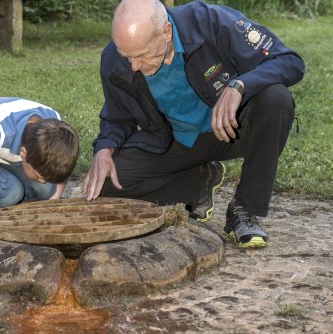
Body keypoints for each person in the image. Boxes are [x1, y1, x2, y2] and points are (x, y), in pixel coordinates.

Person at [83, 0, 305, 248]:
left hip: (232, 129)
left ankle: (244, 208)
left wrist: (240, 86)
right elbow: (117, 117)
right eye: (128, 57)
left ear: (166, 32)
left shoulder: (209, 21)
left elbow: (289, 61)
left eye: (142, 55)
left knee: (276, 99)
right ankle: (197, 182)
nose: (134, 66)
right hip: (175, 141)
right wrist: (104, 149)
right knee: (104, 185)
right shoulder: (113, 60)